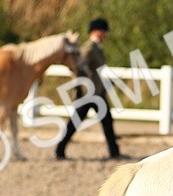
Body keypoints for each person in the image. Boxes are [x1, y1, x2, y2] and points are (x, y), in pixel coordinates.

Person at [55, 17, 128, 161]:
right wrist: (85, 83)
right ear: (95, 32)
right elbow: (78, 66)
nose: (105, 35)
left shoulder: (97, 48)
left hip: (97, 93)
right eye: (102, 32)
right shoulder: (89, 48)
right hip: (88, 94)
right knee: (75, 121)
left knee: (107, 120)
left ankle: (114, 151)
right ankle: (60, 149)